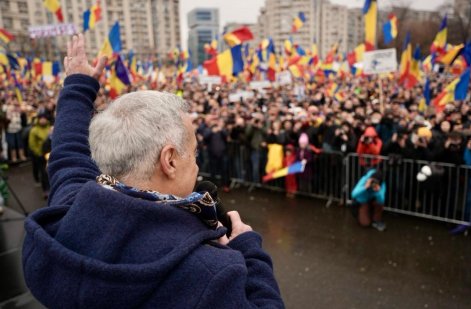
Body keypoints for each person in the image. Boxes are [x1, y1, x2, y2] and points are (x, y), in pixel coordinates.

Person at [22, 34, 284, 309]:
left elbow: (68, 156)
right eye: (193, 152)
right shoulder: (209, 273)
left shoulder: (69, 212)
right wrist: (248, 251)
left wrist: (77, 85)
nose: (196, 163)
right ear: (169, 160)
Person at [28, 114, 51, 198]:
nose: (43, 120)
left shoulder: (50, 128)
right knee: (43, 172)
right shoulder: (34, 130)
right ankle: (45, 190)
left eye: (44, 118)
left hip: (50, 153)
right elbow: (32, 143)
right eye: (41, 119)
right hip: (40, 154)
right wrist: (38, 153)